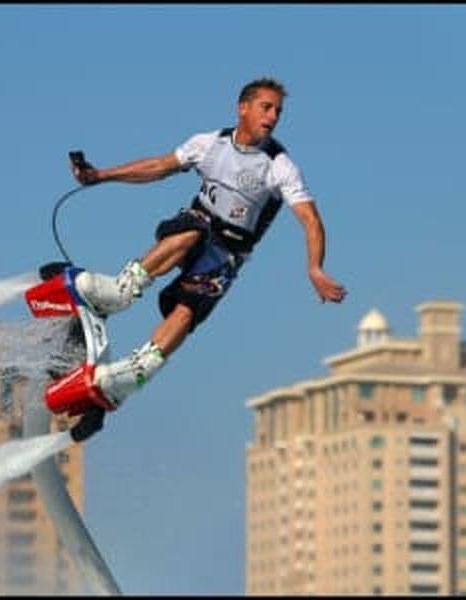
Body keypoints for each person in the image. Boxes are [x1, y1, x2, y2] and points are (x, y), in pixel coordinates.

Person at [67, 77, 347, 442]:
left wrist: (314, 267)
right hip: (196, 224)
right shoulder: (209, 143)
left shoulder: (279, 165)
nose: (274, 116)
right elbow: (158, 166)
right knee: (193, 230)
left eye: (279, 110)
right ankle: (118, 292)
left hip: (229, 251)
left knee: (185, 312)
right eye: (267, 107)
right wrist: (101, 175)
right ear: (242, 108)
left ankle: (127, 379)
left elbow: (311, 220)